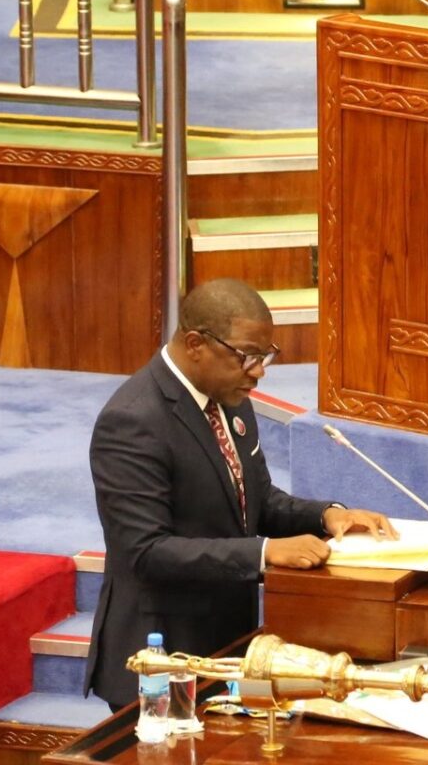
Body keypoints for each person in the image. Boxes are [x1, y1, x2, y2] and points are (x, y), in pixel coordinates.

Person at [84, 279, 396, 708]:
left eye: (265, 356)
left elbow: (257, 499)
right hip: (162, 657)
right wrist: (264, 552)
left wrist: (326, 515)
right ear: (196, 344)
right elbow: (146, 552)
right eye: (247, 355)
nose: (259, 371)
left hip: (229, 644)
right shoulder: (133, 420)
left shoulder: (228, 396)